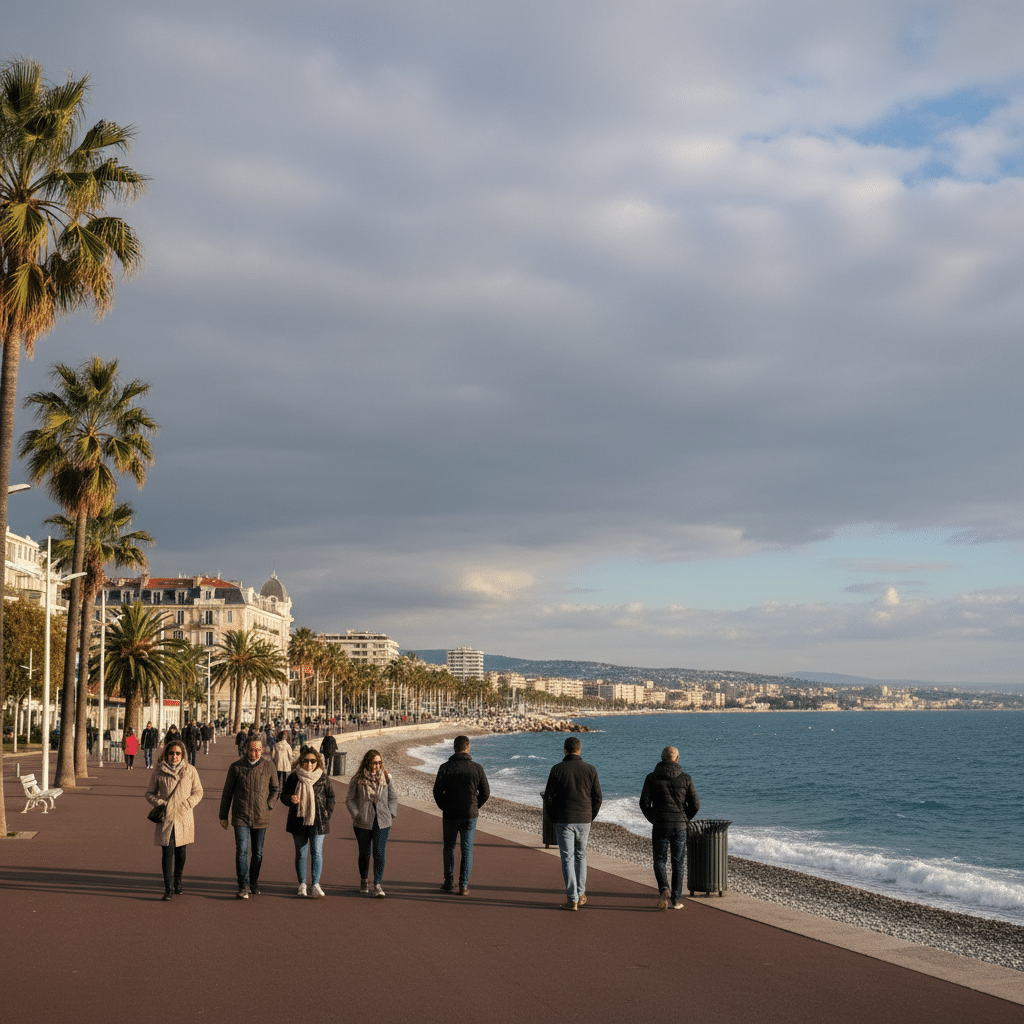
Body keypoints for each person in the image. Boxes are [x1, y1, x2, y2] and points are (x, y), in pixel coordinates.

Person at [543, 735, 602, 911]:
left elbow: (548, 797)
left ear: (565, 750)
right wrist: (591, 815)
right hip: (584, 818)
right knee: (581, 856)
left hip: (564, 819)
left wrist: (554, 817)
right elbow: (597, 796)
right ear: (580, 749)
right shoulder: (590, 769)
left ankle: (572, 898)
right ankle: (581, 893)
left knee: (567, 858)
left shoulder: (557, 769)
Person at [219, 736, 280, 898]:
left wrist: (269, 804)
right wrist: (223, 815)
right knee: (242, 851)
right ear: (246, 749)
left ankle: (253, 881)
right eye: (253, 749)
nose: (256, 753)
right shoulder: (236, 767)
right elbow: (227, 793)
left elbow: (276, 789)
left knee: (258, 853)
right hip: (240, 816)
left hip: (261, 816)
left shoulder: (269, 766)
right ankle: (243, 885)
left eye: (259, 750)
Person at [639, 746, 699, 911]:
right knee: (678, 863)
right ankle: (676, 900)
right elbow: (695, 804)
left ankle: (664, 888)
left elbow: (644, 803)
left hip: (660, 824)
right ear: (677, 758)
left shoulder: (651, 778)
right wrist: (685, 818)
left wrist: (653, 818)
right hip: (679, 825)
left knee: (659, 860)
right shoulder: (686, 778)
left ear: (662, 758)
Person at [145, 739, 204, 900]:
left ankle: (178, 879)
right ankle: (168, 887)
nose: (174, 756)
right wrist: (161, 803)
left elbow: (198, 792)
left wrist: (188, 803)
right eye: (171, 753)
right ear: (166, 754)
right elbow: (149, 793)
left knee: (181, 853)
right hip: (166, 818)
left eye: (178, 753)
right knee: (167, 852)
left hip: (183, 816)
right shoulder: (158, 770)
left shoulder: (190, 770)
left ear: (183, 755)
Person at [432, 735, 490, 895]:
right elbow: (486, 792)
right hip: (469, 814)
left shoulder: (445, 767)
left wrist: (444, 806)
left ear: (454, 748)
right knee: (467, 848)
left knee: (449, 847)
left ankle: (448, 882)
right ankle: (464, 884)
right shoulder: (477, 768)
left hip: (450, 813)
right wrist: (475, 805)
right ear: (468, 747)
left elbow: (437, 791)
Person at [281, 748, 336, 897]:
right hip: (298, 820)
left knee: (317, 852)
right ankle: (302, 884)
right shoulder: (293, 777)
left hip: (318, 821)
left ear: (317, 762)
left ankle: (316, 884)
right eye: (306, 760)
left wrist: (326, 814)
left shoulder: (323, 777)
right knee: (301, 853)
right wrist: (290, 799)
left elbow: (331, 798)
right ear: (301, 761)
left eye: (313, 761)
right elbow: (283, 796)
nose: (309, 764)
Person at [345, 748, 398, 898]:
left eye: (380, 763)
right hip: (363, 821)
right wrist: (356, 814)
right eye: (375, 763)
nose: (377, 766)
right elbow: (350, 799)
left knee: (379, 852)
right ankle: (364, 880)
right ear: (367, 762)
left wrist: (391, 812)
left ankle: (378, 884)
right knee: (364, 853)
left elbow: (393, 798)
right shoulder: (357, 779)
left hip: (383, 821)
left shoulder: (387, 777)